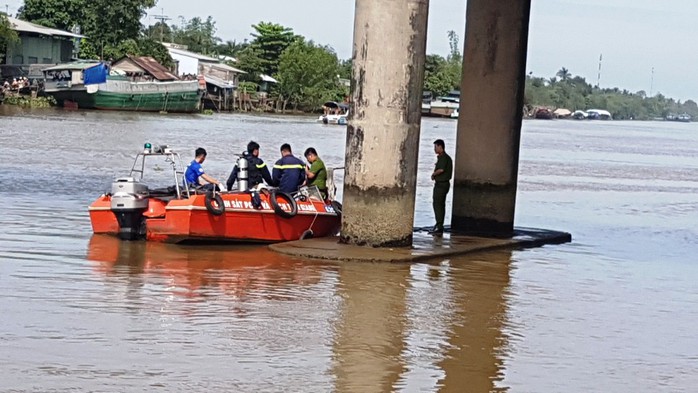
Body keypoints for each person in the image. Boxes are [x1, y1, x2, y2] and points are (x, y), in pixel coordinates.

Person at [430, 139, 453, 235]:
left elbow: (441, 169)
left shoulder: (444, 158)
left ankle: (439, 226)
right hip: (443, 184)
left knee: (437, 204)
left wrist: (433, 174)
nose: (434, 149)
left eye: (435, 147)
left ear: (440, 147)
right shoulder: (443, 157)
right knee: (441, 205)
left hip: (441, 184)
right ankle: (440, 225)